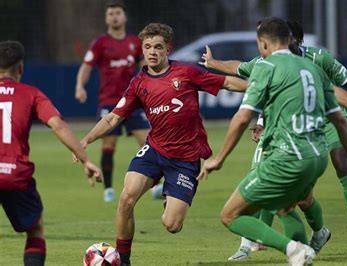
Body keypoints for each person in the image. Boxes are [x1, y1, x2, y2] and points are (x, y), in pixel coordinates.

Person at [200, 20, 347, 259]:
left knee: (231, 214)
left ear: (263, 43)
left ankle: (285, 248)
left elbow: (242, 118)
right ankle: (310, 242)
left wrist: (218, 158)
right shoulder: (310, 68)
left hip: (287, 155)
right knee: (286, 206)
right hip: (316, 156)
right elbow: (341, 120)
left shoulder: (266, 67)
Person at [76, 23, 247, 265]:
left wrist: (259, 88)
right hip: (154, 151)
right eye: (147, 47)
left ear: (168, 49)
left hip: (185, 160)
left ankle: (170, 193)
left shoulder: (186, 73)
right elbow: (113, 117)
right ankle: (124, 260)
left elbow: (228, 83)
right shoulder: (138, 84)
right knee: (126, 198)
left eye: (158, 47)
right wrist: (86, 140)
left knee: (172, 225)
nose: (152, 52)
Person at [0, 41, 103, 266]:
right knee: (35, 229)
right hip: (14, 174)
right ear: (20, 68)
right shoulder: (31, 94)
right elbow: (58, 125)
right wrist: (86, 160)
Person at [74, 0, 153, 202]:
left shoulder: (135, 43)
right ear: (106, 18)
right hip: (109, 102)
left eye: (118, 13)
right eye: (111, 14)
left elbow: (146, 66)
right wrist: (79, 86)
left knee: (148, 141)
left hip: (134, 101)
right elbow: (86, 66)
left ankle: (156, 184)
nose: (114, 16)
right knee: (109, 143)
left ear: (124, 17)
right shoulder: (100, 43)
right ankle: (108, 189)